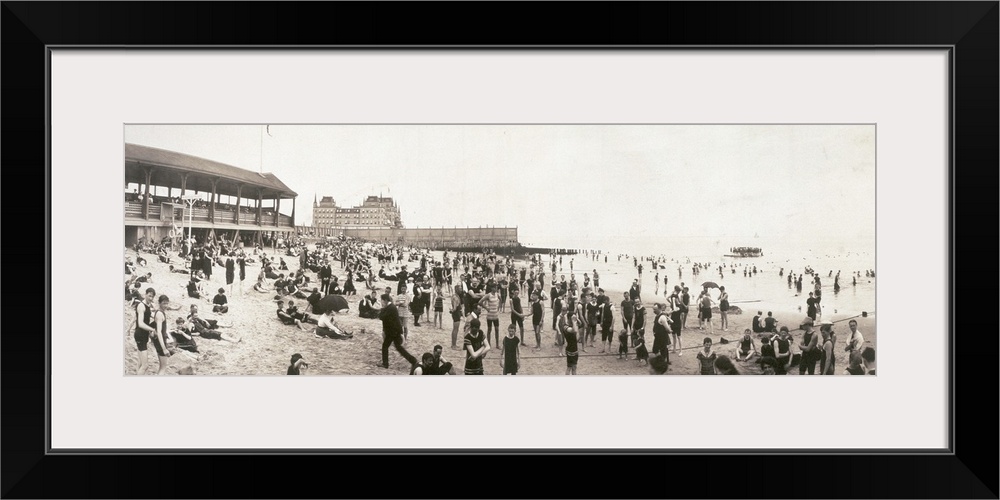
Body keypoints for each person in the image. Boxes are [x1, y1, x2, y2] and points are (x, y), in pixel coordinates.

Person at [378, 294, 418, 369]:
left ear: (386, 300)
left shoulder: (390, 308)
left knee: (385, 346)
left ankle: (385, 364)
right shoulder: (390, 307)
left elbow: (381, 317)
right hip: (394, 331)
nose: (381, 302)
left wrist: (382, 309)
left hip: (392, 332)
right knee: (399, 348)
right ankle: (413, 360)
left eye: (382, 301)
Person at [132, 287, 157, 375]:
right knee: (145, 366)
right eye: (149, 296)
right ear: (145, 294)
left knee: (140, 362)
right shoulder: (141, 305)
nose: (151, 298)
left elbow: (139, 317)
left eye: (152, 297)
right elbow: (141, 323)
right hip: (140, 334)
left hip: (143, 335)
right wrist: (152, 329)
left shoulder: (147, 305)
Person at [151, 295, 174, 375]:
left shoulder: (159, 312)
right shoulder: (160, 314)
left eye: (167, 303)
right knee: (163, 368)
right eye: (164, 303)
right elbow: (159, 331)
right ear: (159, 303)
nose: (166, 306)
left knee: (162, 367)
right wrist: (164, 348)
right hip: (160, 342)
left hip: (159, 341)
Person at [650, 304, 672, 369]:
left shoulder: (662, 317)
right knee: (655, 350)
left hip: (662, 337)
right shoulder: (657, 316)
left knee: (663, 351)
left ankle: (663, 365)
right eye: (653, 309)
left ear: (659, 309)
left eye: (655, 309)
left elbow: (667, 328)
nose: (654, 311)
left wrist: (669, 331)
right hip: (657, 337)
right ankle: (660, 363)